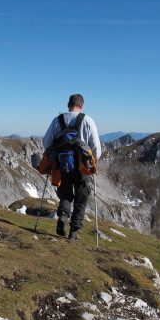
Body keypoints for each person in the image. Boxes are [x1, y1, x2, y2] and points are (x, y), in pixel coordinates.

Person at [43, 94, 102, 240]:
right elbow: (96, 147)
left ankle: (62, 217)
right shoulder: (87, 120)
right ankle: (74, 231)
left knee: (65, 193)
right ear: (81, 106)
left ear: (68, 104)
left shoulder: (58, 120)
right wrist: (93, 161)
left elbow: (46, 143)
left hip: (63, 163)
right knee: (81, 196)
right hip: (82, 165)